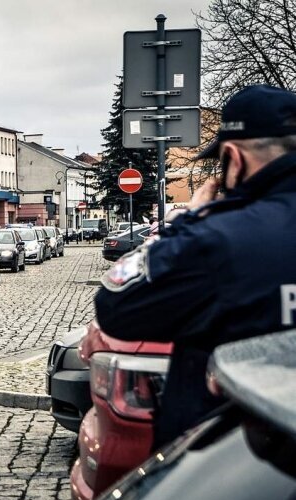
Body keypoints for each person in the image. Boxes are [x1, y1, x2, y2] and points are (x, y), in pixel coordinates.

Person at [94, 85, 296, 448]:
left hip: (233, 457)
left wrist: (184, 223)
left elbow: (117, 305)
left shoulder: (219, 237)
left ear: (235, 157)